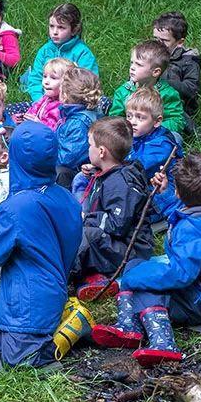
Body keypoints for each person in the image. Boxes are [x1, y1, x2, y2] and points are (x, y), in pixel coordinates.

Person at [92, 154, 201, 366]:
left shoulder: (195, 233)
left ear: (179, 191)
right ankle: (128, 326)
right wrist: (164, 194)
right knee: (136, 266)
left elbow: (179, 275)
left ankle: (163, 343)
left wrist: (133, 278)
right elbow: (187, 212)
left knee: (145, 286)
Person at [0, 122, 82, 367]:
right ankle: (55, 319)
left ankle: (75, 326)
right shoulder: (66, 196)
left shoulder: (15, 207)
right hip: (53, 286)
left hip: (27, 297)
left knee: (19, 358)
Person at [73, 117, 153, 301]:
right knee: (83, 231)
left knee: (87, 235)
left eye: (90, 145)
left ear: (101, 152)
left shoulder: (120, 184)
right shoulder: (111, 172)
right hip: (116, 243)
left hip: (131, 251)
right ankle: (94, 277)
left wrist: (87, 217)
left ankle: (64, 276)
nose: (88, 149)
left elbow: (118, 224)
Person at [19, 3, 99, 102]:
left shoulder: (83, 54)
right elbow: (35, 79)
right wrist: (40, 102)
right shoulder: (45, 51)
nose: (55, 32)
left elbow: (89, 84)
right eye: (52, 26)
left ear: (74, 30)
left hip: (72, 103)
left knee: (103, 103)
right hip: (44, 101)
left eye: (61, 27)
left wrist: (65, 104)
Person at [125, 86, 183, 220]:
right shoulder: (137, 135)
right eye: (129, 116)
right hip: (142, 183)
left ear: (157, 121)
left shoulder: (162, 145)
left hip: (161, 194)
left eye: (140, 118)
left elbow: (136, 168)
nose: (132, 122)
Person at [109, 40, 183, 133]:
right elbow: (115, 118)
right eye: (132, 62)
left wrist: (150, 128)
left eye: (139, 64)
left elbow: (176, 121)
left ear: (156, 72)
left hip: (156, 135)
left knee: (176, 137)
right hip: (130, 134)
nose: (132, 67)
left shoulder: (167, 94)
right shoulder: (123, 92)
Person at [153, 11, 201, 130]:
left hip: (179, 106)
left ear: (179, 42)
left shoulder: (188, 61)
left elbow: (192, 90)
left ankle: (196, 133)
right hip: (149, 101)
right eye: (155, 39)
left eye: (164, 41)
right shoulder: (151, 55)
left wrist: (163, 83)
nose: (158, 44)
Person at [55, 66, 102, 187]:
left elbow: (67, 159)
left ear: (64, 95)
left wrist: (45, 153)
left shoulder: (78, 123)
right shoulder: (82, 113)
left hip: (78, 173)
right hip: (75, 167)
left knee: (57, 171)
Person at [20, 57, 72, 130]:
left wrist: (39, 124)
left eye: (53, 78)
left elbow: (55, 131)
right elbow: (34, 109)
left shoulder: (62, 107)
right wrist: (24, 117)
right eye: (44, 76)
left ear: (66, 83)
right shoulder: (46, 98)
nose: (46, 82)